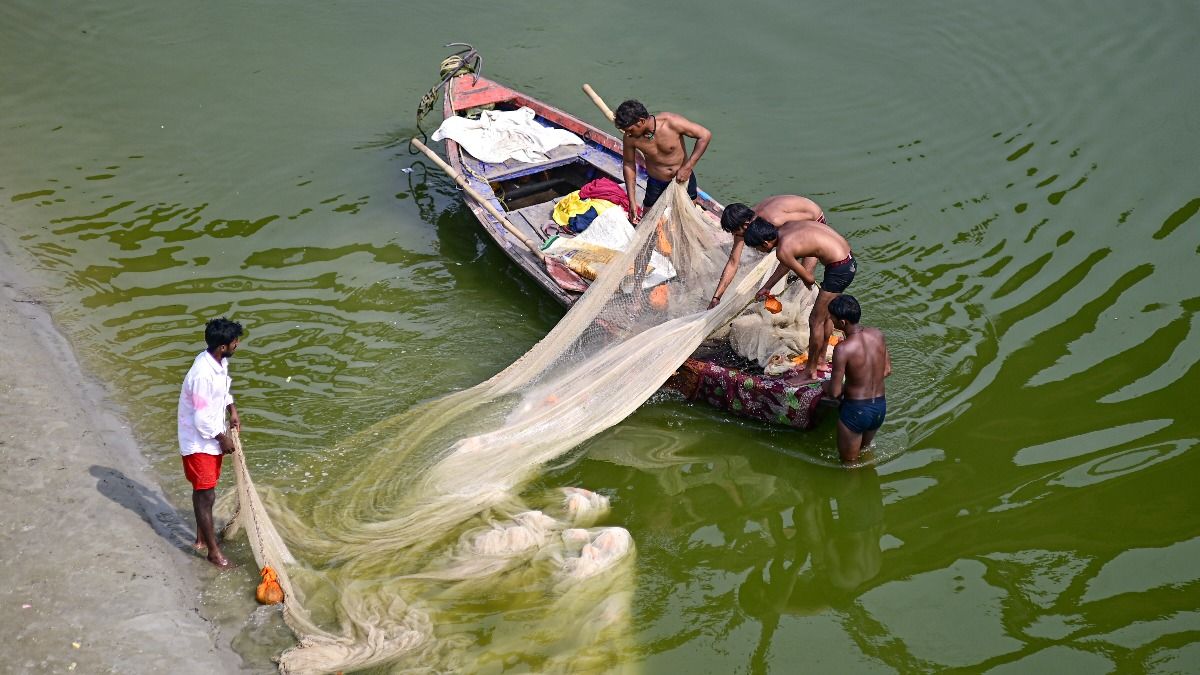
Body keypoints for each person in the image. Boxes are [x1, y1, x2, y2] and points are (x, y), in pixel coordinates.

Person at [744, 218, 855, 381]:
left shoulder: (782, 250)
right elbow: (786, 262)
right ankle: (821, 361)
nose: (759, 251)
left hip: (839, 270)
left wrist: (802, 278)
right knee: (827, 315)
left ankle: (810, 372)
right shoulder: (786, 227)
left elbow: (808, 279)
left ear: (765, 243)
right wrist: (768, 286)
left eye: (757, 248)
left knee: (815, 320)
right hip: (847, 259)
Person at [177, 317, 243, 569]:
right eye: (235, 343)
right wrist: (222, 438)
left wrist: (232, 410)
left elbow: (223, 390)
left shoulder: (218, 361)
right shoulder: (202, 374)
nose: (237, 346)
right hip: (199, 441)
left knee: (207, 491)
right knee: (205, 494)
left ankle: (201, 539)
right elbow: (202, 419)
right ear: (223, 346)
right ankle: (213, 553)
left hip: (210, 439)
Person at [709, 195, 828, 309]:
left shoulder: (773, 221)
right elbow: (733, 262)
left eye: (735, 232)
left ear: (745, 226)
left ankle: (809, 307)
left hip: (812, 220)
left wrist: (768, 286)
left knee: (805, 275)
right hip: (790, 222)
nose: (734, 235)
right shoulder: (744, 225)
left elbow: (787, 257)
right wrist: (716, 297)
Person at [614, 99, 712, 224]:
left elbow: (705, 135)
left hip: (682, 180)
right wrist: (632, 201)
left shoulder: (671, 122)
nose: (627, 133)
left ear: (641, 122)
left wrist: (688, 167)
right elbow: (628, 164)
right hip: (656, 183)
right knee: (648, 223)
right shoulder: (630, 138)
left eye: (630, 129)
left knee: (686, 220)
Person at [821, 295, 890, 463]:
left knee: (849, 464)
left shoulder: (843, 349)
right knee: (865, 454)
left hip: (856, 411)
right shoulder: (878, 335)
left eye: (832, 318)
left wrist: (825, 386)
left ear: (843, 323)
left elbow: (835, 392)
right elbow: (887, 370)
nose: (830, 319)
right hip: (879, 407)